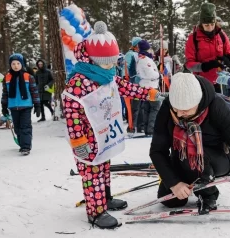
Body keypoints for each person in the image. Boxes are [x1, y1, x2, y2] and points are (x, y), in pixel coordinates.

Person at [62, 21, 162, 229]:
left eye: (111, 62)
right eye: (105, 62)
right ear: (92, 59)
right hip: (86, 139)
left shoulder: (106, 75)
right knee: (93, 174)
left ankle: (104, 198)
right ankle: (95, 212)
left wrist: (148, 93)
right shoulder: (80, 81)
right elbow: (71, 111)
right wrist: (78, 140)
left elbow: (125, 87)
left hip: (103, 134)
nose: (109, 66)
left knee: (104, 168)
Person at [150, 72, 230, 214]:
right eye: (176, 109)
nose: (179, 115)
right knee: (169, 200)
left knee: (197, 160)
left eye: (185, 110)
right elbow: (157, 150)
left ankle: (208, 193)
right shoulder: (168, 108)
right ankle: (194, 180)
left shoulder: (216, 106)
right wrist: (173, 183)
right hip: (183, 156)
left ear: (198, 102)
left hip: (221, 156)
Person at [185, 2, 230, 93]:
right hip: (202, 82)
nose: (210, 27)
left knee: (220, 106)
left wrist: (228, 59)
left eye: (212, 24)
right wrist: (205, 66)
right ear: (201, 24)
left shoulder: (221, 35)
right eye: (206, 25)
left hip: (220, 81)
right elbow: (189, 64)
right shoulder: (193, 38)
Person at [1, 53, 41, 155]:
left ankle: (26, 147)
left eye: (18, 63)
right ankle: (22, 143)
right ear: (10, 65)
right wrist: (4, 106)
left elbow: (34, 92)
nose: (15, 66)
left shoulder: (28, 77)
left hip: (26, 106)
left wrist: (37, 105)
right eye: (13, 63)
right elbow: (5, 93)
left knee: (25, 126)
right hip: (13, 106)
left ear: (22, 64)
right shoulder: (7, 77)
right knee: (17, 127)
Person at [137, 40, 162, 136]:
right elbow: (150, 73)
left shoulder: (144, 58)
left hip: (147, 85)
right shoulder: (145, 59)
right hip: (150, 86)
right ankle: (151, 129)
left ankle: (147, 128)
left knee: (147, 108)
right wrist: (158, 75)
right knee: (155, 108)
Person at [125, 36, 144, 133]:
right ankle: (131, 127)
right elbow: (127, 68)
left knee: (141, 107)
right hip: (133, 84)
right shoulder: (130, 54)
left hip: (141, 84)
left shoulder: (140, 54)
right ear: (135, 45)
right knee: (134, 107)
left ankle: (140, 126)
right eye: (139, 44)